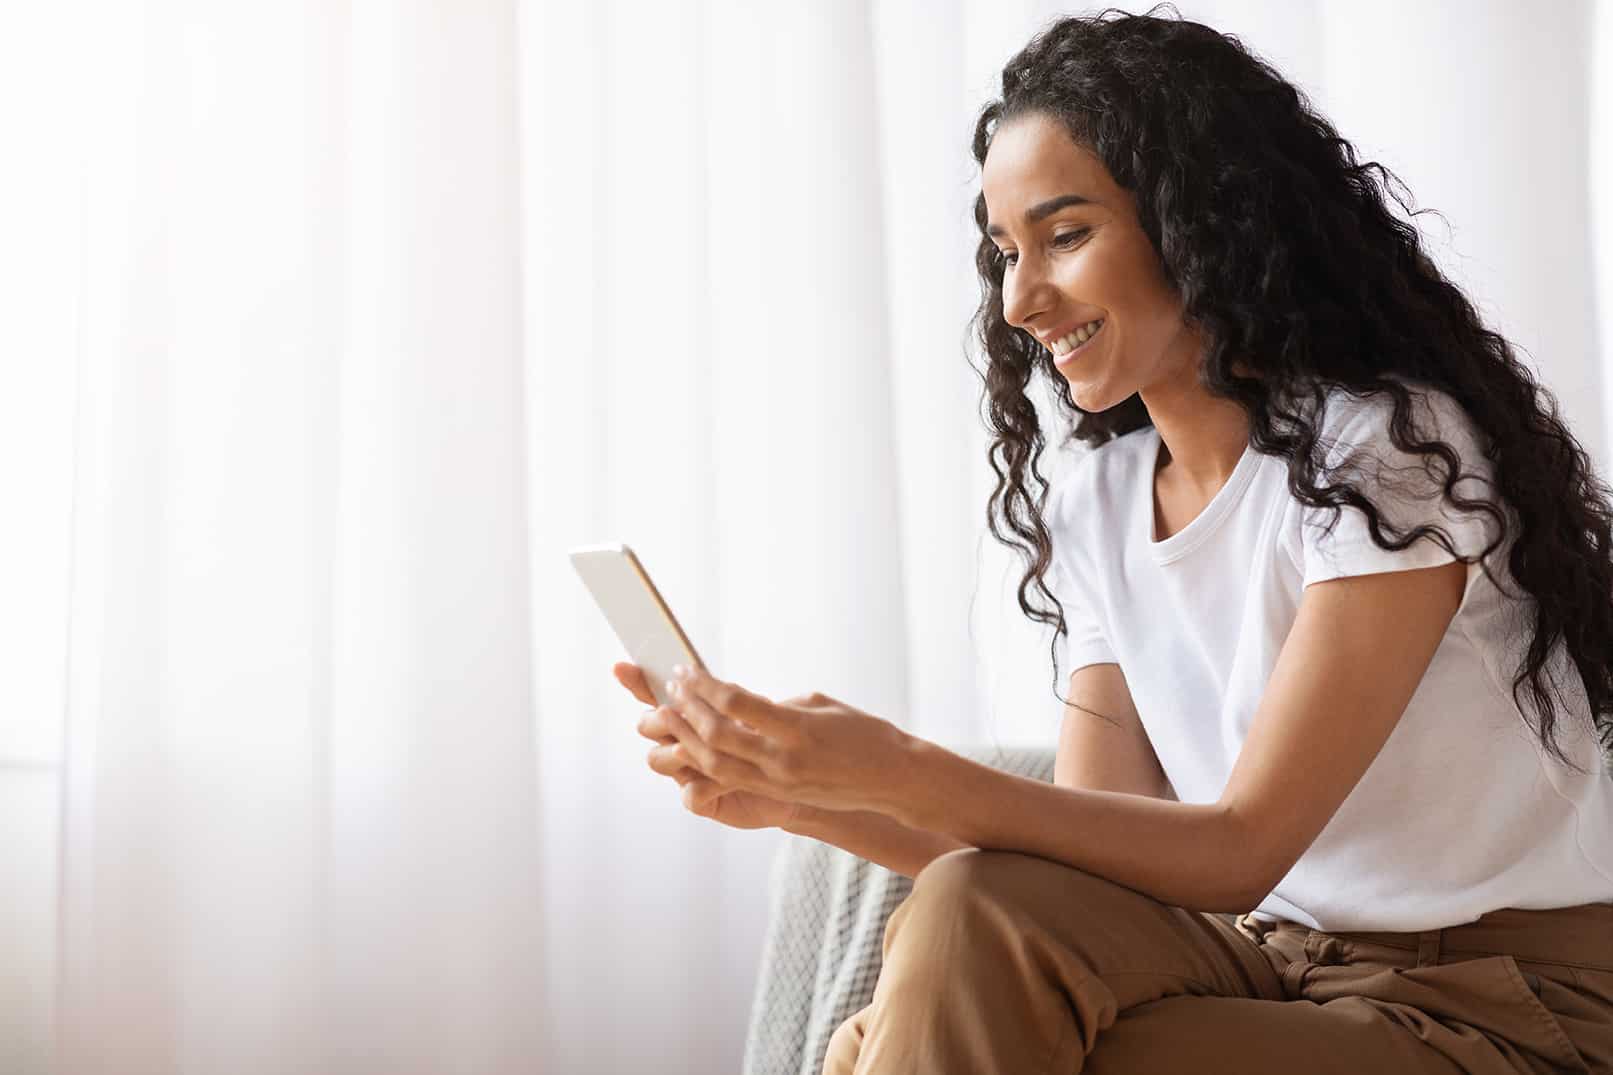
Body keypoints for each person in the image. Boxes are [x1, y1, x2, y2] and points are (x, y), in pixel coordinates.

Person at [619, 7, 1613, 1072]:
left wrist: (899, 765)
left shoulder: (1381, 456)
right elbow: (1082, 856)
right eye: (1004, 251)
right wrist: (812, 801)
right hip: (1274, 966)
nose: (1018, 299)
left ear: (1200, 220)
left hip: (1499, 1001)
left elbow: (1240, 847)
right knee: (965, 916)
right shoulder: (1097, 495)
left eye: (1064, 235)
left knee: (979, 1029)